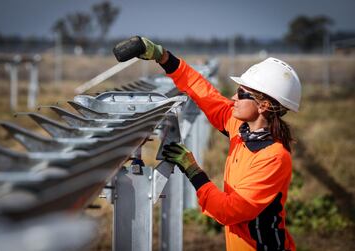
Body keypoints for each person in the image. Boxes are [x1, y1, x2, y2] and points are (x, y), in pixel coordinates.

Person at [115, 36, 301, 251]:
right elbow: (206, 94)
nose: (233, 97)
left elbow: (227, 212)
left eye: (242, 93)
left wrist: (193, 170)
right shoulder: (241, 129)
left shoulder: (274, 158)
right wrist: (163, 57)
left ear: (264, 105)